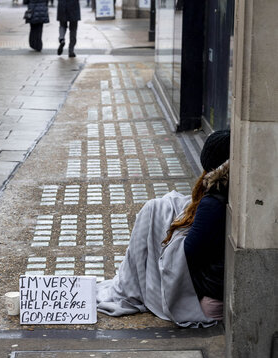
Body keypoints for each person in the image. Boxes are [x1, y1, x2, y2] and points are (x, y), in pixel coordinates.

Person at [96, 130, 231, 327]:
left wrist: (167, 242)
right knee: (160, 207)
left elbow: (189, 252)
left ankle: (135, 282)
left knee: (155, 211)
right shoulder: (220, 196)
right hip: (211, 287)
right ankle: (134, 280)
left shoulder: (213, 203)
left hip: (205, 295)